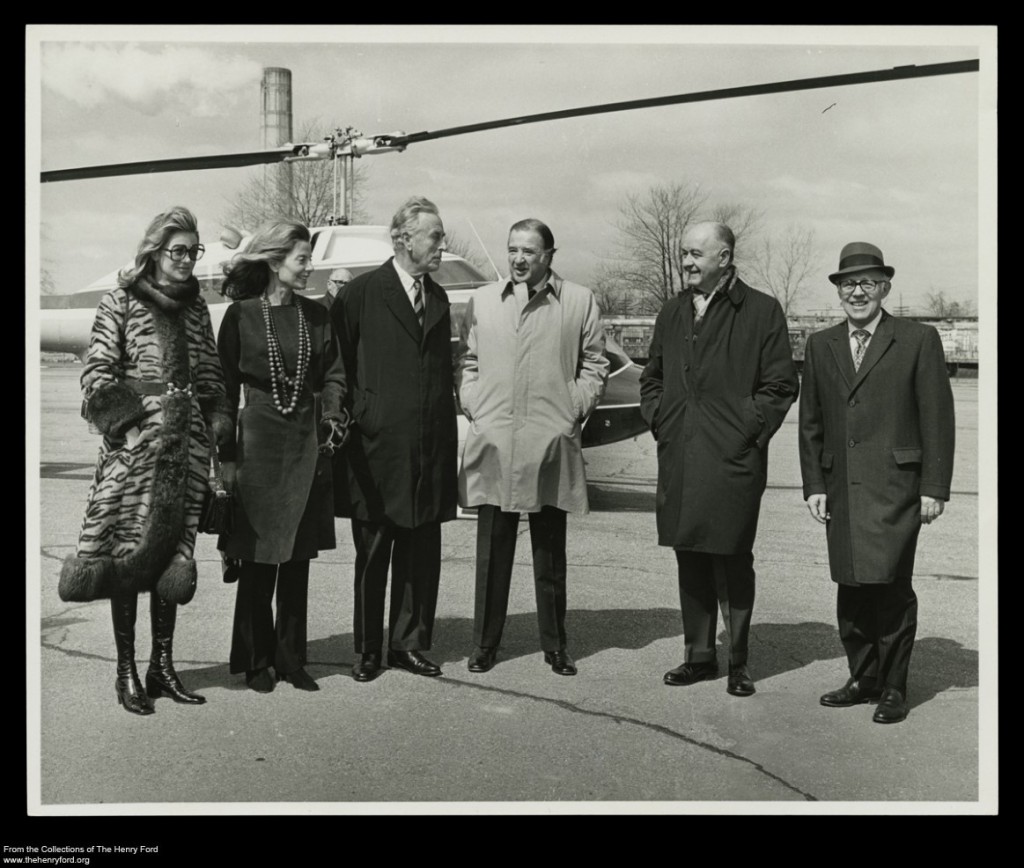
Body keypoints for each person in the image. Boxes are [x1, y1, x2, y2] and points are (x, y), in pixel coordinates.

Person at [59, 205, 231, 715]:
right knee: (127, 559)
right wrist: (130, 432)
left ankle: (162, 667)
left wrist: (215, 430)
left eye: (193, 252)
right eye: (178, 251)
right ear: (154, 251)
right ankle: (126, 672)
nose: (187, 261)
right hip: (134, 454)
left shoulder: (196, 308)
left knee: (172, 560)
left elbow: (212, 381)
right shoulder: (121, 301)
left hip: (186, 451)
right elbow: (97, 376)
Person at [639, 221, 799, 697]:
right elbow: (653, 377)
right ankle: (699, 656)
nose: (687, 262)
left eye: (696, 254)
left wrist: (745, 428)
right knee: (689, 554)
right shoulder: (672, 311)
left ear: (725, 258)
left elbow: (780, 385)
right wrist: (662, 419)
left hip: (732, 458)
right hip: (682, 455)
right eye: (684, 254)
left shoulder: (761, 311)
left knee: (731, 558)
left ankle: (739, 662)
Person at [798, 242, 955, 724]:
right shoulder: (820, 344)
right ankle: (862, 678)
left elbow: (937, 419)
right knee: (850, 586)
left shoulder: (917, 339)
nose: (858, 292)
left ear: (885, 288)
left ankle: (893, 687)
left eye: (868, 283)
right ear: (838, 291)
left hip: (896, 489)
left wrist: (934, 488)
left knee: (889, 587)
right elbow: (811, 422)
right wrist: (814, 485)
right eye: (849, 284)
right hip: (842, 488)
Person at [456, 219, 608, 676]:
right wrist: (474, 405)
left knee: (550, 553)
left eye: (529, 252)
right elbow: (469, 360)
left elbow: (595, 363)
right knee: (492, 552)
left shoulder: (579, 301)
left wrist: (571, 409)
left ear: (549, 255)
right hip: (497, 440)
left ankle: (555, 645)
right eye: (512, 250)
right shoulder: (484, 301)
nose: (519, 259)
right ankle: (485, 644)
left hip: (549, 441)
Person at [330, 196, 458, 683]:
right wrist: (357, 417)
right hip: (375, 447)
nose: (441, 245)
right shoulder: (361, 293)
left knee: (421, 552)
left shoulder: (440, 300)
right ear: (404, 239)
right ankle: (366, 650)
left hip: (429, 447)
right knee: (375, 551)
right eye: (435, 236)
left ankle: (409, 644)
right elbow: (337, 368)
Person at [218, 221, 348, 694]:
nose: (309, 267)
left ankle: (291, 658)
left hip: (304, 443)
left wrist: (332, 413)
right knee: (256, 556)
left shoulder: (317, 316)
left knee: (296, 555)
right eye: (301, 259)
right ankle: (256, 660)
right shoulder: (241, 316)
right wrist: (226, 455)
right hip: (257, 442)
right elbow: (224, 389)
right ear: (275, 262)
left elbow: (334, 375)